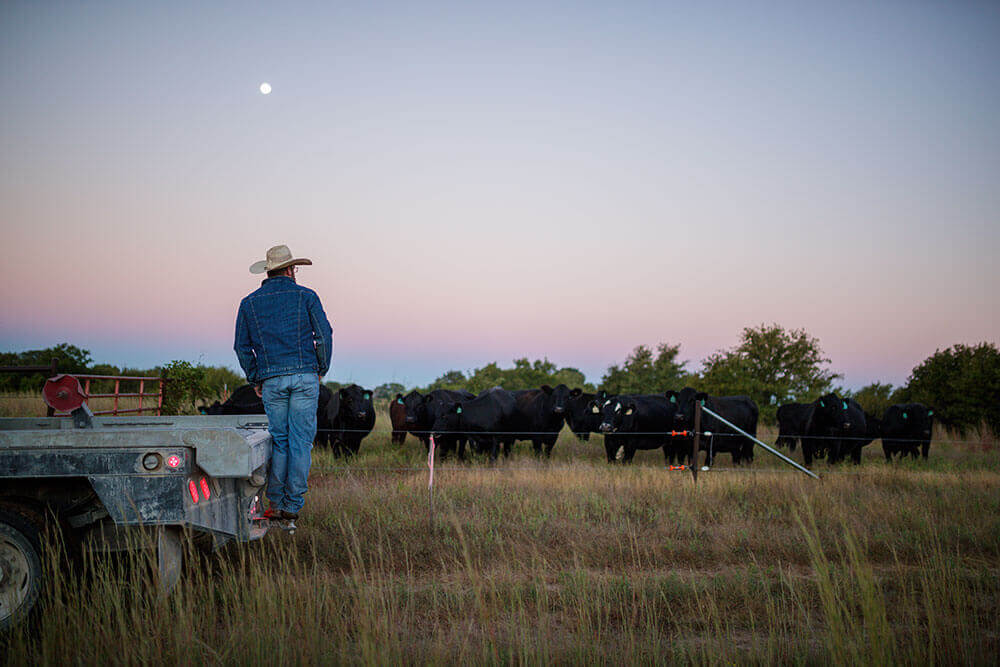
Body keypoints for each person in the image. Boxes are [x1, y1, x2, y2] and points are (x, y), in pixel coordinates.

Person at [234, 245, 333, 522]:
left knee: (280, 441)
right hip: (304, 376)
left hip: (272, 380)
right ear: (291, 269)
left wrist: (255, 377)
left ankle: (275, 502)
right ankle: (292, 504)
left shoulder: (249, 303)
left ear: (269, 270)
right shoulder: (307, 296)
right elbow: (324, 335)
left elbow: (241, 347)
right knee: (301, 442)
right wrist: (320, 369)